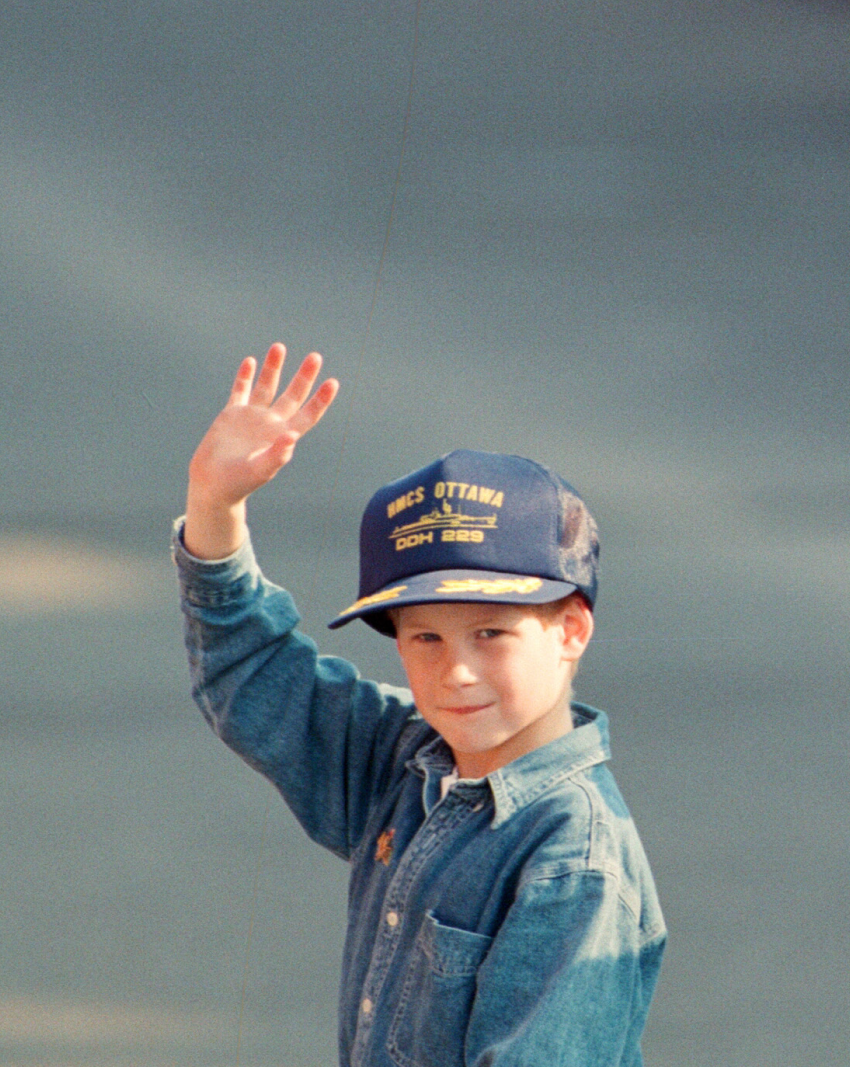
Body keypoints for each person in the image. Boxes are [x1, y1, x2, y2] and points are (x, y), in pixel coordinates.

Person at [175, 346, 664, 1066]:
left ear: (570, 630)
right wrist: (215, 505)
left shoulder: (571, 860)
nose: (456, 672)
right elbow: (252, 676)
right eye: (426, 637)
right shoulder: (406, 760)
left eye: (491, 634)